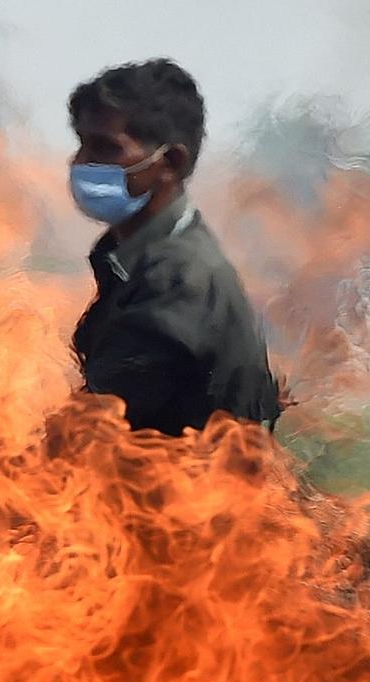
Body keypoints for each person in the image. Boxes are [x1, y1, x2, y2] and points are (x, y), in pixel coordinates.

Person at [68, 58, 281, 436]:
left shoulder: (179, 278)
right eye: (82, 145)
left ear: (171, 162)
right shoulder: (134, 260)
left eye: (105, 148)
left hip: (195, 489)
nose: (82, 163)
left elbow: (100, 421)